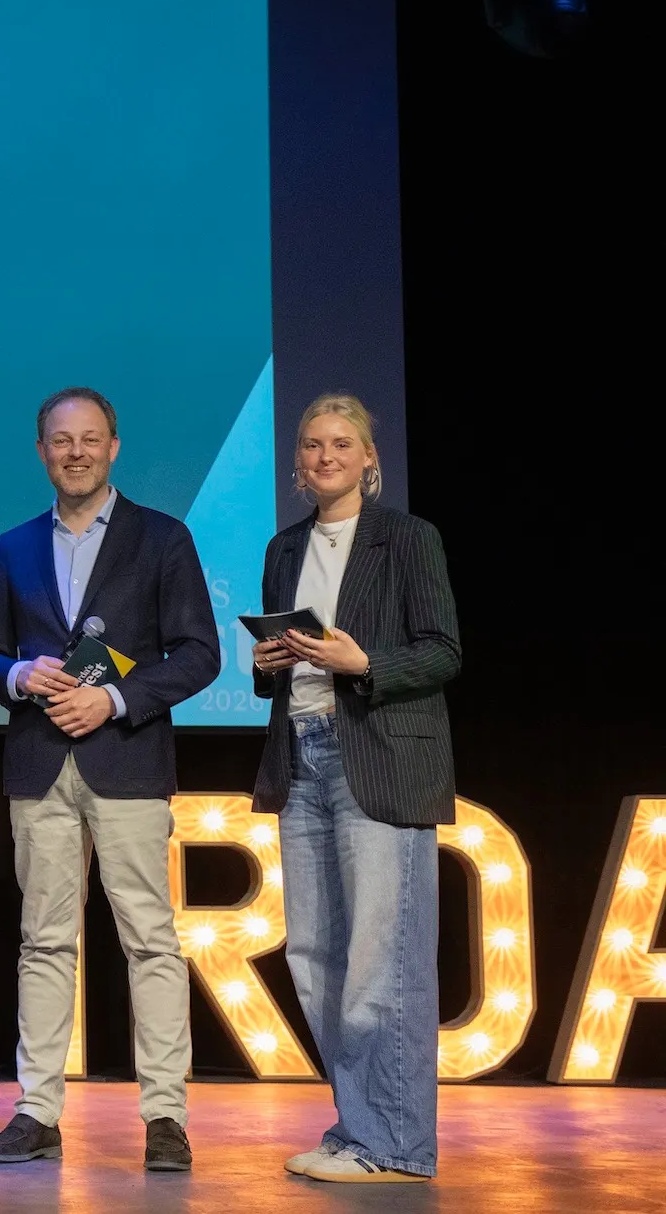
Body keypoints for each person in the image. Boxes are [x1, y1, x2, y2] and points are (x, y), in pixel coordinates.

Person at [0, 387, 220, 1174]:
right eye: (59, 440)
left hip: (129, 762)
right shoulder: (13, 546)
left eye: (89, 439)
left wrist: (112, 697)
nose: (74, 452)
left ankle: (166, 1117)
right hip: (38, 767)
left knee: (149, 939)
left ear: (114, 446)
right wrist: (18, 672)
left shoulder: (163, 538)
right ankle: (37, 1108)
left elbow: (199, 653)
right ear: (42, 451)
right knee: (44, 940)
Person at [251, 394, 461, 1185]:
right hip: (302, 756)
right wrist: (268, 664)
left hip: (377, 753)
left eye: (342, 444)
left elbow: (442, 650)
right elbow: (282, 659)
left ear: (369, 459)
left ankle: (398, 1144)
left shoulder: (408, 538)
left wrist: (362, 662)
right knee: (317, 956)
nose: (325, 456)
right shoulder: (283, 547)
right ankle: (357, 1126)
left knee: (383, 958)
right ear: (298, 462)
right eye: (311, 445)